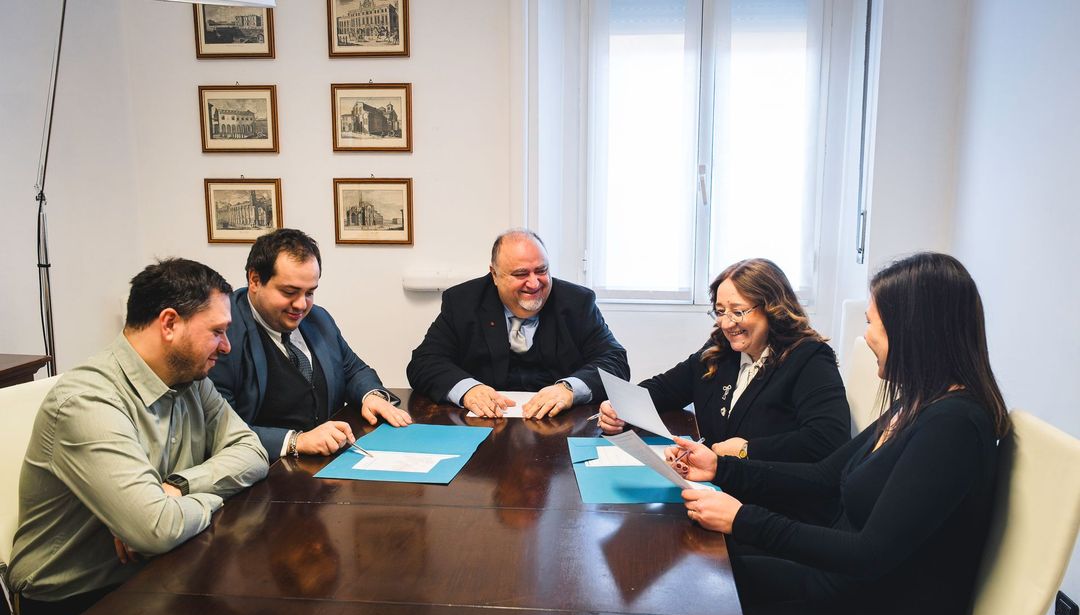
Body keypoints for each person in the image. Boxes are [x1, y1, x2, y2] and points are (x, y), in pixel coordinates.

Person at [668, 252, 1010, 615]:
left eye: (874, 324)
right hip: (841, 595)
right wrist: (721, 469)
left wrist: (744, 520)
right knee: (696, 581)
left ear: (915, 331)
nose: (865, 337)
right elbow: (827, 476)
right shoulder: (919, 404)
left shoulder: (954, 426)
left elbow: (869, 554)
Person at [7, 258, 270, 615]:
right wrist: (210, 497)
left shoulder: (191, 380)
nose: (227, 346)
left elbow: (252, 451)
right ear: (169, 324)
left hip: (155, 575)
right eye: (217, 332)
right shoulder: (88, 401)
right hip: (74, 610)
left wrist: (180, 487)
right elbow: (155, 528)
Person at [599, 258, 849, 463]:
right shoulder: (720, 350)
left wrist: (747, 450)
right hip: (714, 485)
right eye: (720, 312)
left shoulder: (810, 357)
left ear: (773, 308)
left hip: (770, 500)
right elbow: (666, 388)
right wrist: (621, 407)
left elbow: (829, 439)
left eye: (738, 311)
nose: (727, 323)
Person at [209, 229, 410, 460]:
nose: (301, 305)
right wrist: (296, 441)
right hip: (265, 473)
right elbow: (220, 429)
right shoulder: (222, 336)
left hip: (327, 466)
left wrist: (371, 396)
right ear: (254, 280)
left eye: (310, 292)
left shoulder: (318, 319)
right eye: (289, 292)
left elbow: (353, 369)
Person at [407, 229, 630, 419]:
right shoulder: (463, 302)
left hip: (561, 427)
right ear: (494, 274)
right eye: (521, 274)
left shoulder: (577, 302)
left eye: (541, 271)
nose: (534, 283)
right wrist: (469, 390)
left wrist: (569, 389)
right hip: (484, 426)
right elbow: (424, 362)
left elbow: (615, 362)